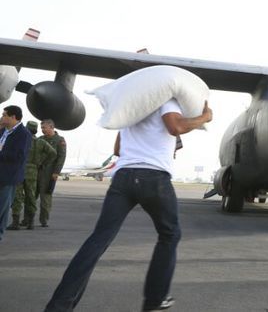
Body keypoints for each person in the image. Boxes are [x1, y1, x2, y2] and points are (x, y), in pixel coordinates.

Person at [45, 99, 212, 311]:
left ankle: (59, 305)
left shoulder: (133, 105)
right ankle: (155, 298)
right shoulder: (167, 100)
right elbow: (175, 127)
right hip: (154, 177)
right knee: (170, 234)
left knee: (99, 239)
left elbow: (118, 148)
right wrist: (204, 118)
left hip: (123, 177)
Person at [9, 119, 56, 230]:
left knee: (17, 196)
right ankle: (31, 223)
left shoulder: (21, 140)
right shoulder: (41, 142)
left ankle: (15, 222)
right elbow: (53, 153)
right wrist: (42, 163)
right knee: (30, 196)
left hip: (20, 170)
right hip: (33, 171)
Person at [0, 105, 32, 243]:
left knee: (2, 210)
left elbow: (19, 156)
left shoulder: (23, 134)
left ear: (13, 117)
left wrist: (1, 153)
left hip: (7, 177)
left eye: (4, 115)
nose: (2, 117)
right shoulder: (3, 131)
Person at [36, 119, 67, 228]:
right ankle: (27, 219)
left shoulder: (59, 140)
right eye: (42, 128)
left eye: (44, 128)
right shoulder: (40, 139)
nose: (42, 130)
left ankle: (44, 220)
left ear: (51, 127)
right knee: (30, 197)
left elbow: (61, 157)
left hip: (49, 173)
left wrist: (56, 172)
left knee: (45, 198)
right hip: (37, 171)